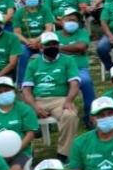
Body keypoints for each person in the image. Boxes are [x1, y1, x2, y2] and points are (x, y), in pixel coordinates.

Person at [20, 31, 80, 160]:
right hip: (37, 100)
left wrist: (69, 100)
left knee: (70, 116)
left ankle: (64, 153)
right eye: (48, 44)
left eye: (55, 44)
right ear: (41, 47)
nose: (52, 47)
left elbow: (74, 83)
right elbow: (26, 90)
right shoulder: (33, 64)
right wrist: (35, 107)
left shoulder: (68, 60)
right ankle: (24, 152)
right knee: (17, 117)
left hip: (60, 99)